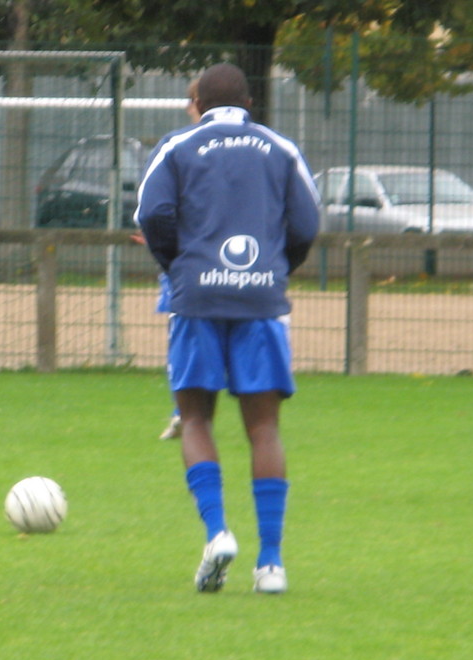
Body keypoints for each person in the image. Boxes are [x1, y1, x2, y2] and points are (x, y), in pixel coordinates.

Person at [135, 63, 320, 594]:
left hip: (196, 298)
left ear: (200, 102)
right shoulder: (280, 148)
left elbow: (153, 215)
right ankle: (271, 564)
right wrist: (273, 270)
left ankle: (217, 534)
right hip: (262, 299)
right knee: (264, 429)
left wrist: (180, 267)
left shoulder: (177, 147)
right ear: (250, 101)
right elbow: (306, 223)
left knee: (194, 419)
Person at [156, 78, 201, 440]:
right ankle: (182, 413)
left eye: (192, 100)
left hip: (190, 266)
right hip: (185, 264)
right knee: (180, 339)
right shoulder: (176, 149)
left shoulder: (175, 148)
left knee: (186, 338)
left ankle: (189, 415)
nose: (188, 107)